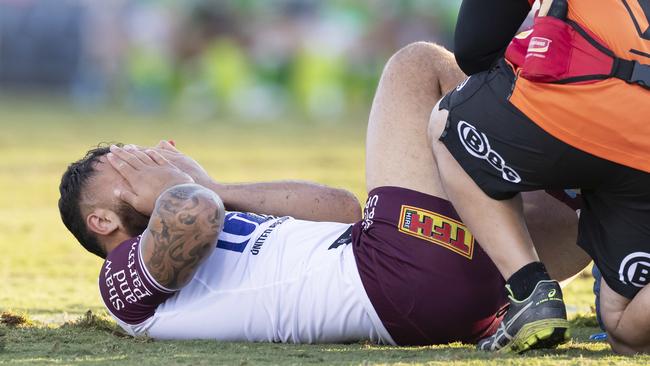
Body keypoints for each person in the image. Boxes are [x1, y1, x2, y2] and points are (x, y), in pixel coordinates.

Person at [58, 42, 589, 345]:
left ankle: (600, 178)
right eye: (128, 167)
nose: (150, 159)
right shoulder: (121, 281)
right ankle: (548, 138)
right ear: (102, 220)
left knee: (594, 204)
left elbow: (342, 209)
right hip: (396, 280)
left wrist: (217, 187)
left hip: (443, 284)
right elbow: (193, 213)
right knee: (414, 65)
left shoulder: (214, 207)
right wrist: (181, 187)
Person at [428, 0, 650, 354]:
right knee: (624, 328)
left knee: (447, 122)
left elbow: (475, 48)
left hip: (572, 109)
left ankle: (530, 290)